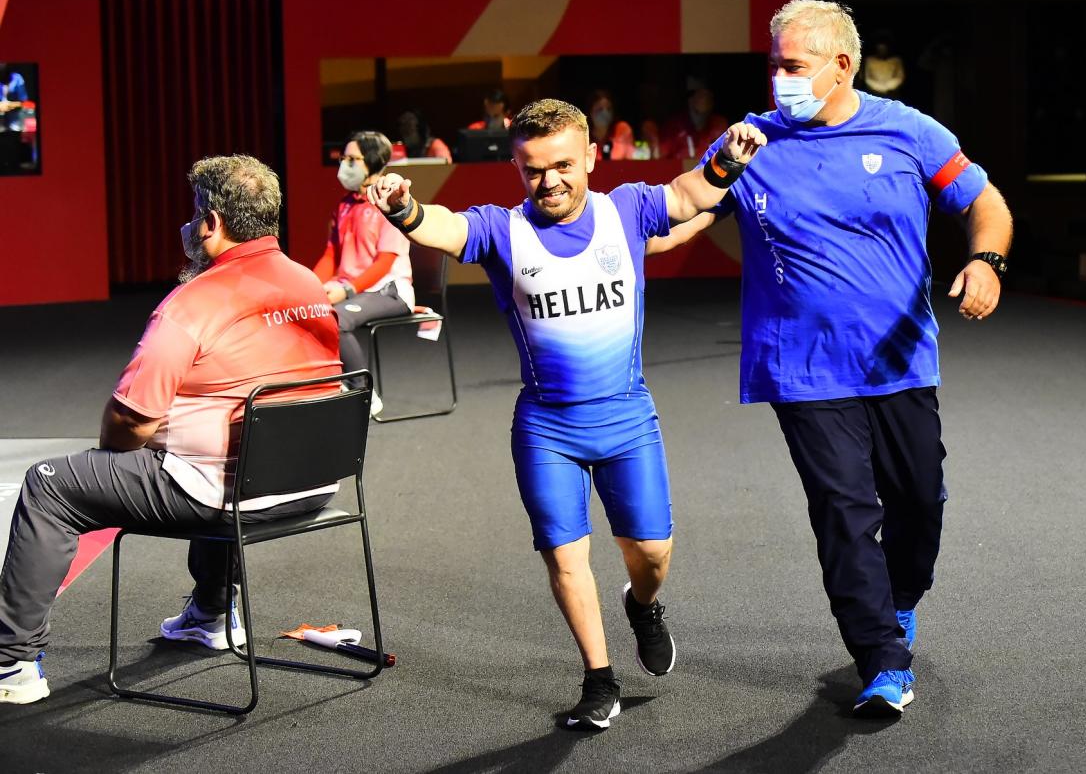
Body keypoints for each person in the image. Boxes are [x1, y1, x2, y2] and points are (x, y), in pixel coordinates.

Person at [649, 0, 1012, 718]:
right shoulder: (749, 142)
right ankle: (881, 657)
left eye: (793, 64)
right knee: (844, 511)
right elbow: (675, 220)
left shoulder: (908, 131)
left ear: (842, 65)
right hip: (800, 368)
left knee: (919, 500)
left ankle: (901, 599)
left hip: (900, 361)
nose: (779, 78)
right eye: (774, 63)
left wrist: (987, 261)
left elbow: (986, 201)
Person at [366, 98, 765, 729]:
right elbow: (440, 226)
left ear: (590, 157)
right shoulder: (503, 229)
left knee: (653, 552)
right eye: (532, 169)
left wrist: (728, 161)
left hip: (628, 416)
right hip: (547, 426)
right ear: (518, 168)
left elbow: (689, 197)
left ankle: (642, 605)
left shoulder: (626, 207)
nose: (548, 180)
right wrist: (401, 208)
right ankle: (598, 678)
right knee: (565, 556)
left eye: (562, 165)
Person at [0, 155, 343, 705]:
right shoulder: (308, 283)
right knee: (216, 449)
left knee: (50, 486)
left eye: (193, 216)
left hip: (225, 494)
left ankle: (11, 664)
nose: (187, 227)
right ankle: (210, 612)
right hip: (312, 485)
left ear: (211, 223)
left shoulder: (191, 303)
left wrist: (111, 457)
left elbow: (131, 420)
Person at [314, 130, 415, 416]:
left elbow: (384, 263)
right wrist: (309, 286)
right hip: (351, 286)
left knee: (337, 318)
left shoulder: (389, 204)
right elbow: (331, 254)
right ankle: (334, 383)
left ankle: (363, 392)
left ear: (371, 162)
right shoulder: (344, 205)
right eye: (344, 158)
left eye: (352, 159)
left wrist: (345, 291)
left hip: (390, 291)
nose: (345, 164)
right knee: (306, 309)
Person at [656, 81, 728, 160]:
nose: (704, 99)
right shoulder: (673, 126)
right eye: (700, 95)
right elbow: (660, 157)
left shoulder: (719, 124)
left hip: (708, 170)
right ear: (690, 100)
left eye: (708, 96)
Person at [585, 89, 635, 161]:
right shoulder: (582, 134)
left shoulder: (623, 129)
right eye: (600, 109)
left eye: (608, 109)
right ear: (590, 112)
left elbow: (631, 162)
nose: (605, 113)